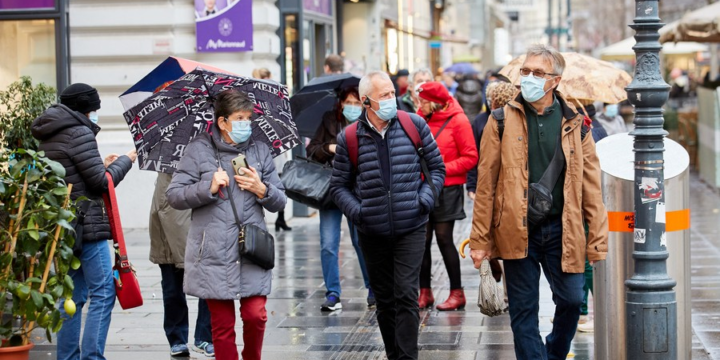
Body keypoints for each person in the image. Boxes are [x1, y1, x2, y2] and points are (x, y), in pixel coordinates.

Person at [468, 44, 608, 360]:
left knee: (572, 301)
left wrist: (597, 240)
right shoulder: (500, 119)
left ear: (555, 81)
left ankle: (554, 353)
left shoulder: (576, 121)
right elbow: (486, 182)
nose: (529, 78)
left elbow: (592, 188)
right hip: (517, 230)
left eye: (538, 73)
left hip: (564, 230)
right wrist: (480, 239)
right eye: (526, 71)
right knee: (523, 310)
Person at [330, 71, 445, 360]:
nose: (392, 99)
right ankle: (394, 354)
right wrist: (360, 213)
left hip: (412, 225)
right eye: (384, 95)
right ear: (367, 101)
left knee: (406, 295)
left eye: (392, 93)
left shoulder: (413, 124)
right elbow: (339, 186)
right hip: (372, 230)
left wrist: (424, 201)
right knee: (384, 300)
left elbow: (437, 168)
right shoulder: (349, 138)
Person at [167, 90, 287, 360]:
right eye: (239, 118)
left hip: (252, 249)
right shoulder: (198, 149)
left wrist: (261, 189)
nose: (246, 123)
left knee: (256, 315)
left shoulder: (259, 150)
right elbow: (174, 196)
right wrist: (207, 187)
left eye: (249, 118)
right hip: (213, 252)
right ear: (222, 122)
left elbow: (280, 201)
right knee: (221, 328)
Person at [31, 83, 137, 360]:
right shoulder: (80, 132)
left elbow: (70, 176)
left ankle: (67, 357)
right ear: (84, 108)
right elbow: (100, 183)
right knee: (103, 293)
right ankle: (92, 357)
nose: (96, 114)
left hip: (64, 229)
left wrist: (100, 163)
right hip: (88, 226)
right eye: (95, 109)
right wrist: (125, 161)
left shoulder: (50, 132)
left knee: (73, 298)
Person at [306, 86, 374, 311]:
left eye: (357, 103)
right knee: (328, 244)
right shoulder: (329, 121)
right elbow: (312, 149)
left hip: (358, 191)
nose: (352, 108)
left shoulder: (369, 123)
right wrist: (331, 147)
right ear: (341, 103)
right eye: (348, 103)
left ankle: (373, 290)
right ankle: (333, 293)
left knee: (362, 242)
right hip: (331, 190)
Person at [415, 81, 477, 311]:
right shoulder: (420, 118)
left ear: (435, 102)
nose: (419, 105)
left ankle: (457, 292)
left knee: (443, 239)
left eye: (423, 101)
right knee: (421, 240)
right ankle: (424, 292)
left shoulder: (458, 121)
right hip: (422, 188)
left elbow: (471, 157)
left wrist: (440, 169)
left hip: (448, 189)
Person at [149, 175, 214, 357]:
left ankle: (205, 336)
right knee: (173, 286)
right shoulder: (167, 160)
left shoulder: (210, 152)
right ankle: (178, 339)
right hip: (170, 223)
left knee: (209, 281)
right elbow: (162, 205)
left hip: (204, 220)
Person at [249, 68, 292, 231]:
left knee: (277, 186)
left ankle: (280, 219)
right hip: (266, 151)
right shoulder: (257, 98)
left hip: (275, 150)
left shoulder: (271, 100)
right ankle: (278, 219)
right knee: (270, 184)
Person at [466, 80, 515, 200]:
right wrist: (472, 184)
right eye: (489, 98)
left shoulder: (519, 123)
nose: (491, 104)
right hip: (488, 180)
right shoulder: (481, 121)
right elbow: (474, 153)